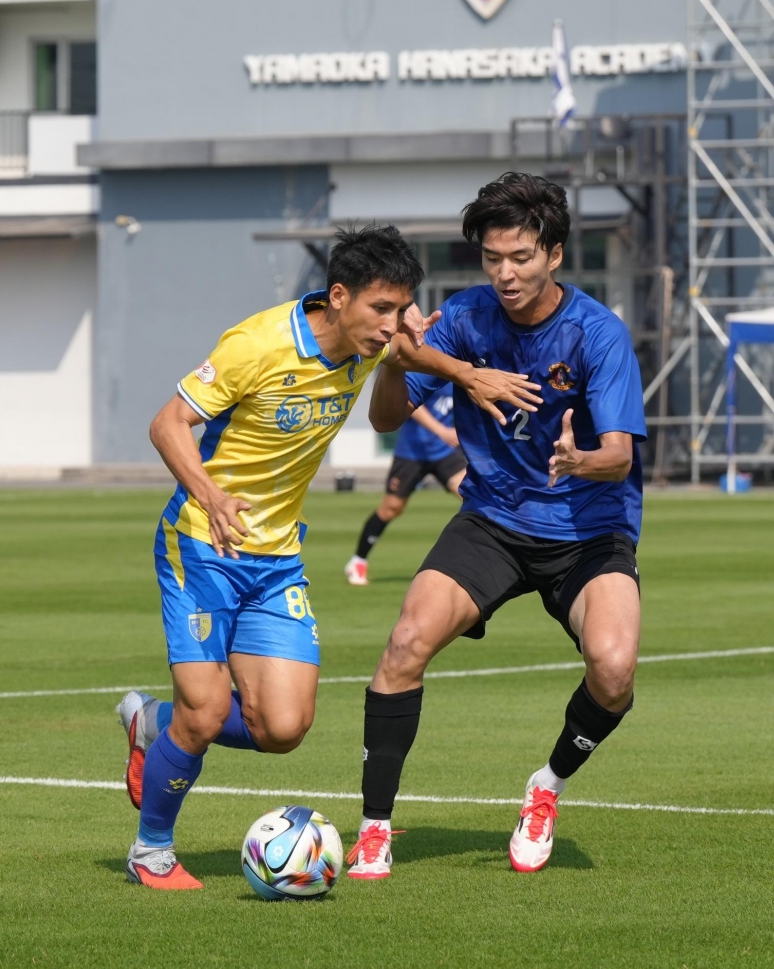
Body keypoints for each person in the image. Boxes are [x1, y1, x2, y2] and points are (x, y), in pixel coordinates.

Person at [115, 222, 542, 889]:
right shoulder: (258, 344)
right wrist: (212, 494)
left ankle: (152, 723)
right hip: (202, 543)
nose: (391, 323)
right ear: (338, 297)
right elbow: (167, 423)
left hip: (277, 558)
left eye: (401, 307)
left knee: (283, 727)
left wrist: (463, 372)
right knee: (206, 713)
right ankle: (152, 852)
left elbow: (404, 356)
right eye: (381, 307)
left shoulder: (371, 341)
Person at [345, 173, 646, 881]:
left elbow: (620, 458)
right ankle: (374, 828)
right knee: (405, 644)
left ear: (555, 255)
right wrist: (398, 360)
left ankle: (547, 787)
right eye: (492, 258)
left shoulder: (597, 334)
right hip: (493, 520)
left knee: (613, 669)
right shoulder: (464, 318)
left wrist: (577, 459)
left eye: (520, 257)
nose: (505, 274)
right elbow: (385, 418)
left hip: (587, 529)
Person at [345, 382, 466, 586]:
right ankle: (358, 561)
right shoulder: (430, 372)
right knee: (391, 509)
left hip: (444, 453)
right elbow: (411, 404)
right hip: (411, 453)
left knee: (471, 495)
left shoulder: (463, 373)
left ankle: (474, 562)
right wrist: (442, 431)